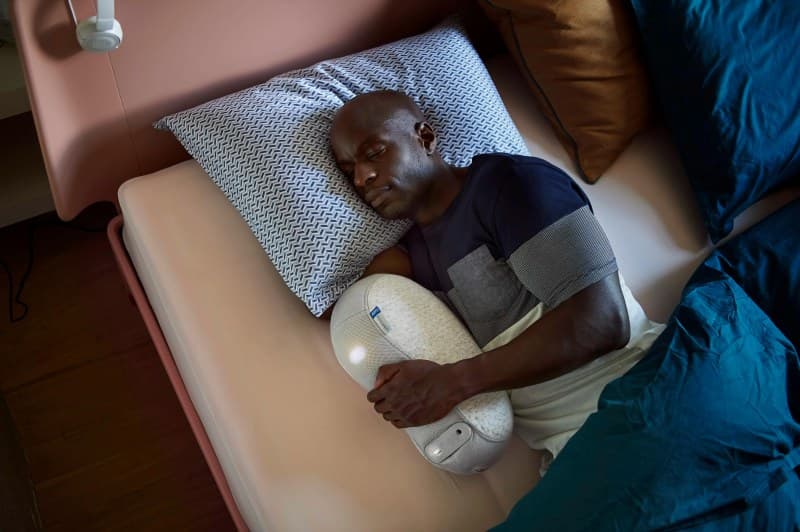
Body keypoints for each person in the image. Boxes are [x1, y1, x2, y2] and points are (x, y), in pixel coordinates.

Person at [329, 90, 664, 469]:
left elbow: (603, 321)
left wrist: (450, 383)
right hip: (574, 453)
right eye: (348, 170)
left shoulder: (513, 184)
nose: (362, 177)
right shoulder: (409, 259)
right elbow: (339, 309)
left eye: (374, 153)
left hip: (646, 394)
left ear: (425, 137)